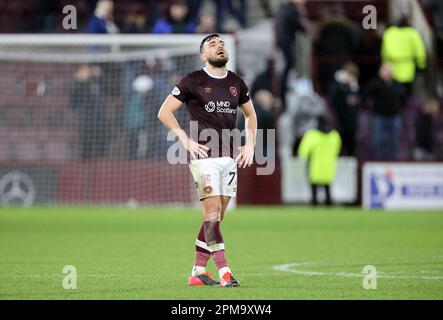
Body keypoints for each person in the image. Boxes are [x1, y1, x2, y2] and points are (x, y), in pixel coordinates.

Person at [157, 34, 257, 287]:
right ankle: (225, 272)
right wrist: (185, 140)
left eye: (221, 43)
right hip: (204, 158)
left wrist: (251, 144)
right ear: (203, 55)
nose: (219, 46)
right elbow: (164, 112)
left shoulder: (237, 82)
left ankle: (198, 271)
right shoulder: (193, 81)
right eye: (212, 44)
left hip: (230, 157)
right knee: (211, 213)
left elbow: (250, 115)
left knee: (217, 217)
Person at [364, 63, 406, 160]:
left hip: (394, 116)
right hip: (379, 116)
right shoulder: (376, 83)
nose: (385, 72)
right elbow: (367, 93)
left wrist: (399, 109)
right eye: (383, 70)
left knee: (394, 141)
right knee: (376, 141)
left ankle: (392, 161)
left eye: (387, 70)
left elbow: (403, 98)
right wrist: (379, 80)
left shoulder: (397, 84)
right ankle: (376, 161)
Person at [298, 115, 341, 206]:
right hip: (329, 166)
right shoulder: (334, 135)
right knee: (327, 186)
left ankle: (314, 202)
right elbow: (337, 150)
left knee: (314, 186)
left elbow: (303, 151)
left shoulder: (312, 135)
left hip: (315, 165)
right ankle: (328, 202)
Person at [275, 0, 307, 110]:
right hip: (286, 43)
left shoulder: (285, 9)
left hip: (283, 42)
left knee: (288, 66)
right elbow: (301, 26)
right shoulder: (292, 10)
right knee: (289, 65)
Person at [381, 16, 426, 94]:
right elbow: (420, 50)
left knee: (394, 92)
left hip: (392, 68)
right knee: (408, 91)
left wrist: (384, 66)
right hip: (408, 67)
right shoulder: (412, 32)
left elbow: (384, 52)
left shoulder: (389, 32)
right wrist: (421, 65)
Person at [70, 64, 106, 159]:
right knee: (87, 143)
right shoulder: (78, 85)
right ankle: (86, 161)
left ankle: (100, 160)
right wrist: (79, 81)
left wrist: (100, 75)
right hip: (86, 119)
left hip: (98, 117)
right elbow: (73, 103)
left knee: (101, 141)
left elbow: (106, 86)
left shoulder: (96, 81)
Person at [328, 62, 360, 156]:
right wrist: (345, 100)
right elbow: (333, 99)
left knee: (351, 146)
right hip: (340, 121)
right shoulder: (337, 85)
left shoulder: (354, 86)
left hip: (351, 122)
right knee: (339, 145)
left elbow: (359, 100)